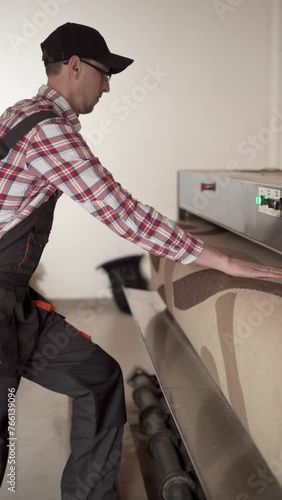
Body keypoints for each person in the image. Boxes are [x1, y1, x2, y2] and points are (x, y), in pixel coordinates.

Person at [0, 22, 281, 500]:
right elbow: (118, 209)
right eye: (104, 72)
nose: (109, 85)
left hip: (14, 300)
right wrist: (220, 259)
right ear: (73, 67)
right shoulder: (46, 128)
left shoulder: (23, 114)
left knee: (98, 377)